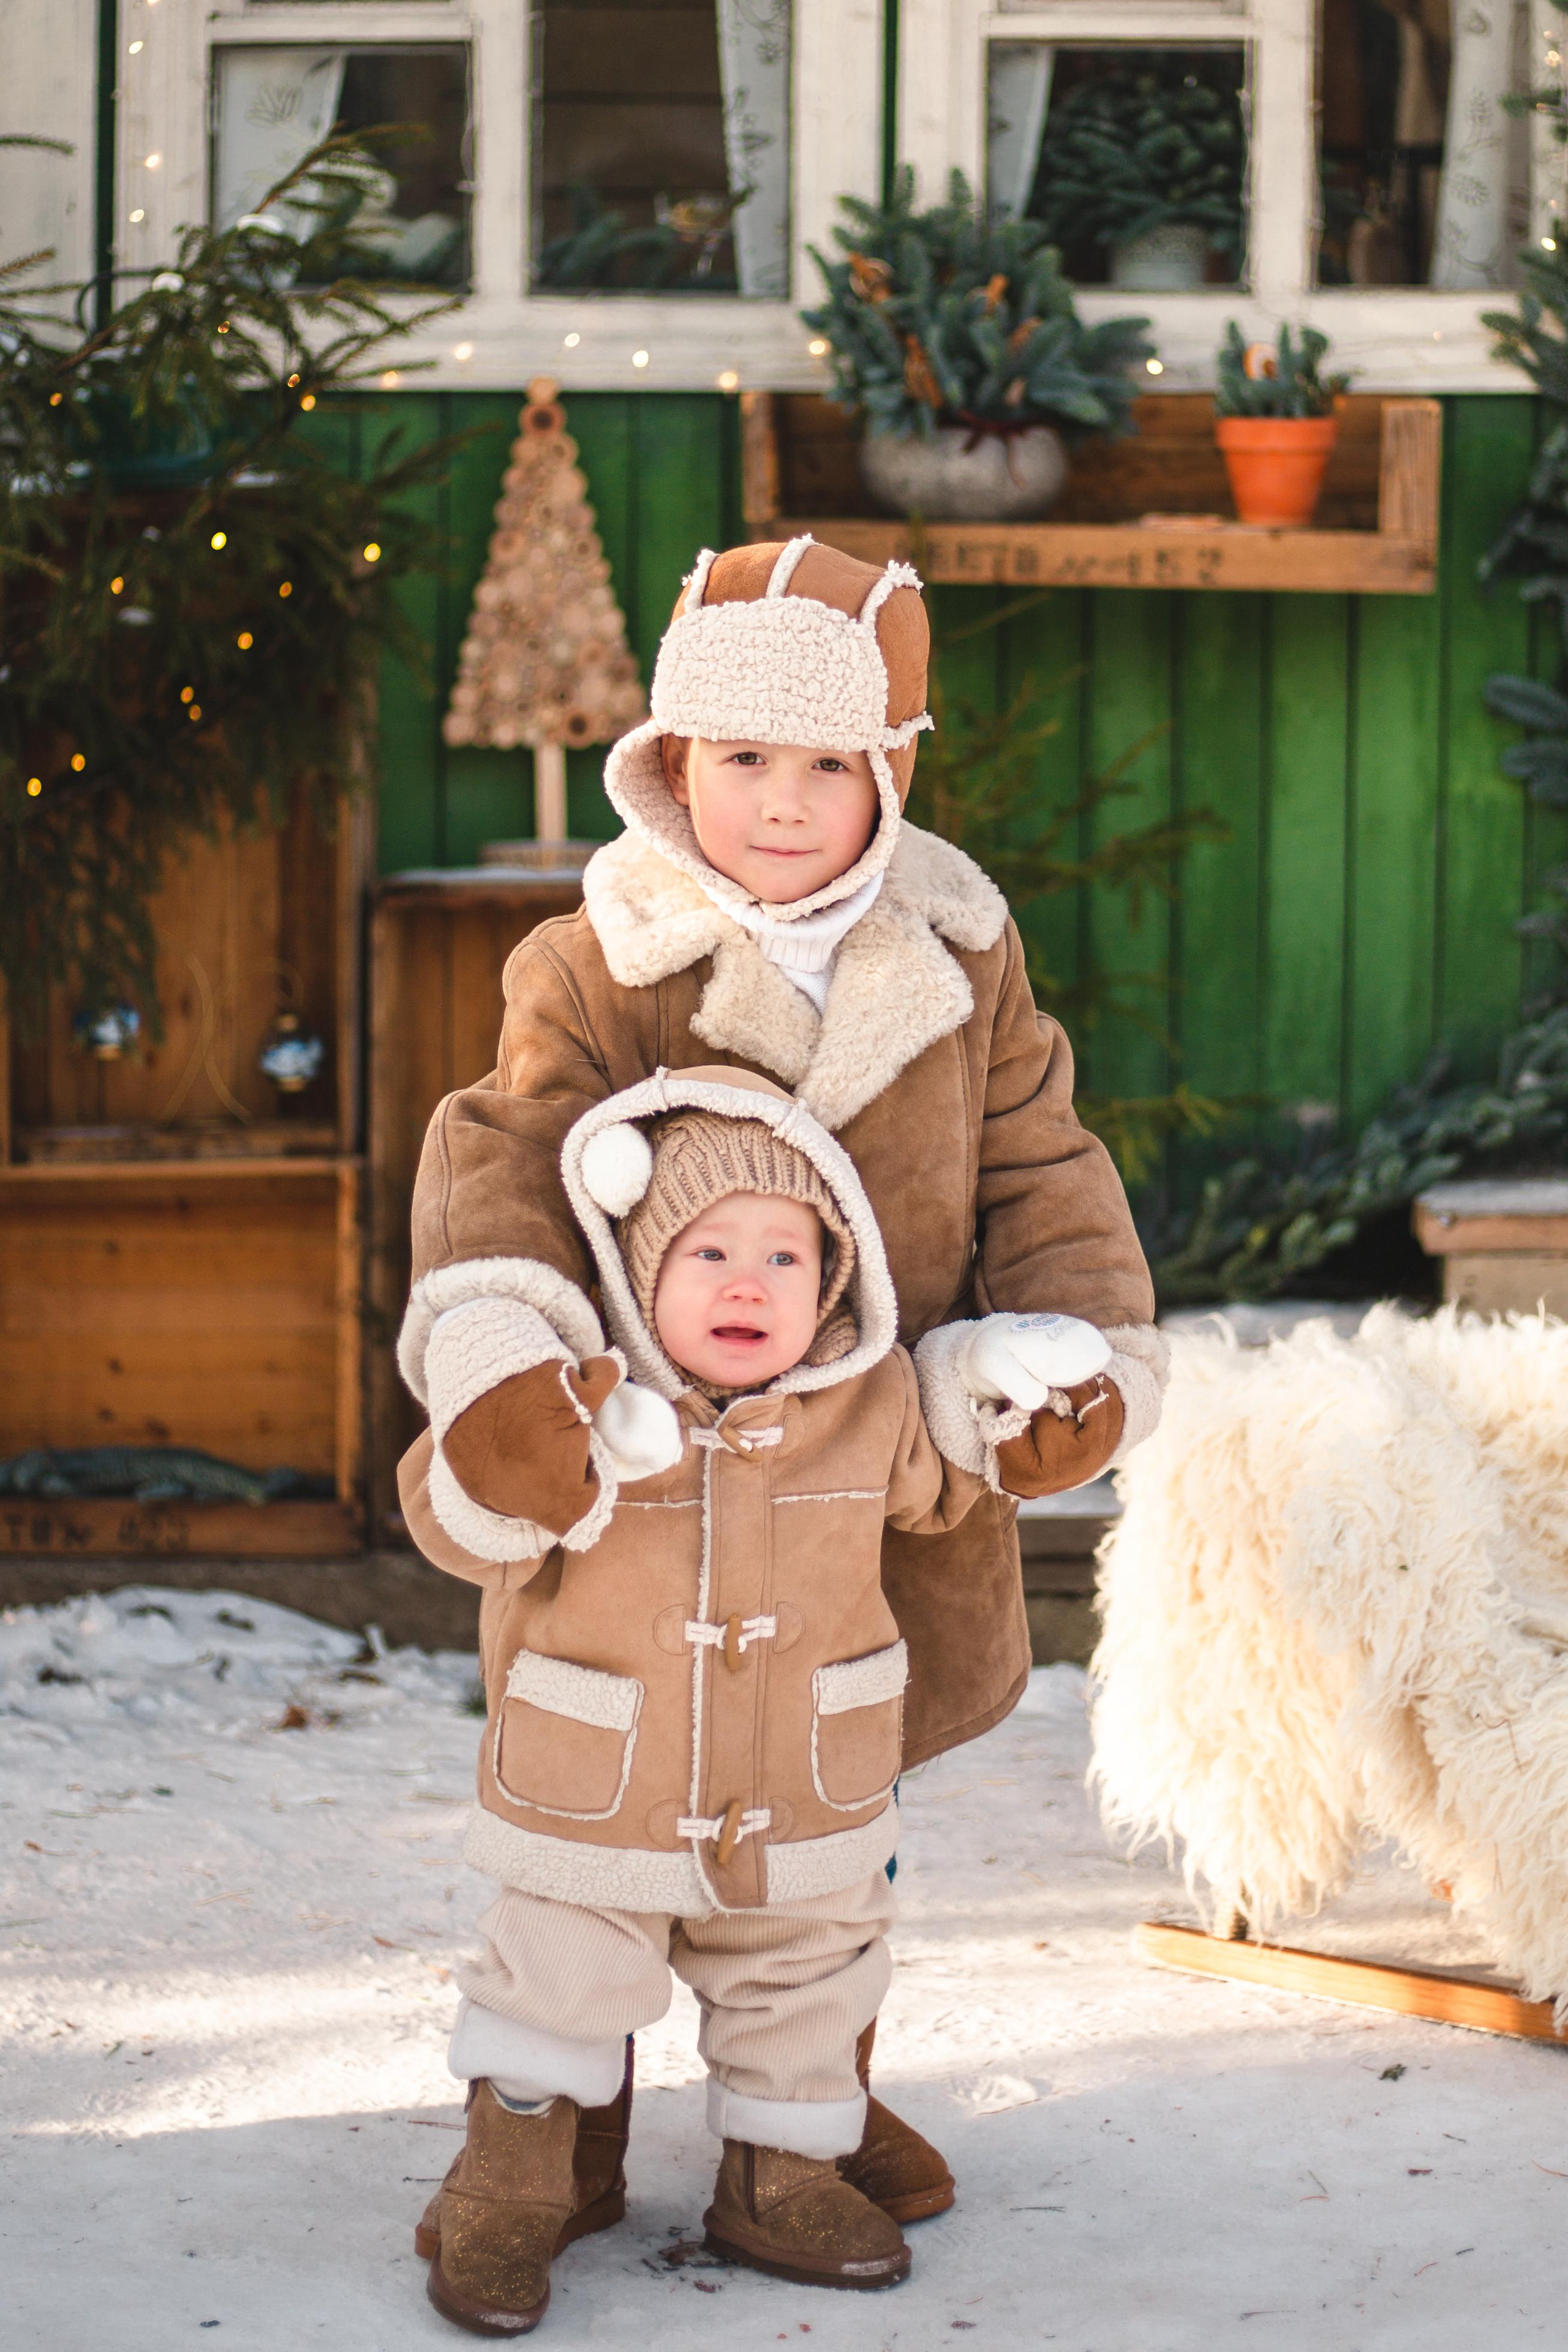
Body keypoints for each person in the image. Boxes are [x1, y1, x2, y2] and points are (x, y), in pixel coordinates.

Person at [396, 532, 1164, 2267]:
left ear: (892, 772)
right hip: (642, 1488)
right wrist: (512, 1366)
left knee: (837, 1795)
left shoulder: (960, 957)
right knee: (615, 1801)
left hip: (863, 1480)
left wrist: (1076, 1360)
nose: (787, 802)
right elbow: (504, 1170)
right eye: (744, 758)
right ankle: (565, 2124)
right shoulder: (597, 958)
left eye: (835, 764)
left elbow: (1041, 1166)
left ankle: (802, 2087)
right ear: (670, 763)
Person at [399, 1067, 1123, 2330]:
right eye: (710, 1250)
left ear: (834, 1281)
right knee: (552, 1978)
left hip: (800, 1787)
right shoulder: (588, 1409)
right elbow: (455, 1516)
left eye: (787, 1256)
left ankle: (780, 2168)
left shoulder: (868, 1401)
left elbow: (957, 1443)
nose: (750, 1283)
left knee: (813, 1979)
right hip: (601, 1795)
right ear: (640, 1270)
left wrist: (1017, 1408)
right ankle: (515, 2170)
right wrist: (517, 1455)